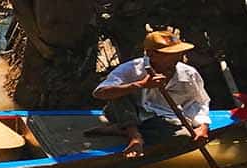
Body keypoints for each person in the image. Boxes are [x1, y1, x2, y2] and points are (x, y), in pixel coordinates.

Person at [87, 29, 213, 159]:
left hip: (161, 120)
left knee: (183, 137)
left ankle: (120, 130)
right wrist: (140, 85)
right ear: (151, 54)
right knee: (118, 92)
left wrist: (203, 127)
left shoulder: (188, 73)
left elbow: (198, 102)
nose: (177, 57)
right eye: (170, 54)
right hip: (125, 114)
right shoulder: (131, 69)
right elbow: (99, 93)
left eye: (179, 52)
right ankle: (134, 136)